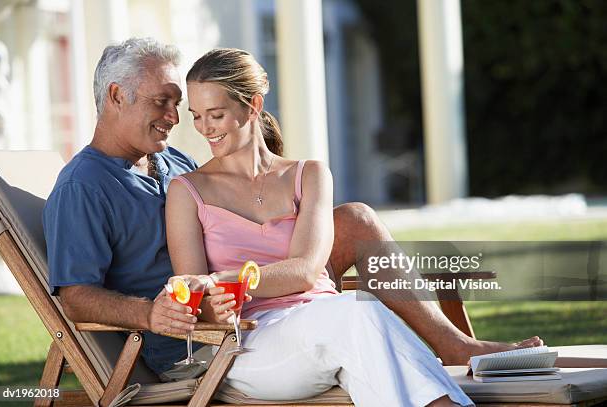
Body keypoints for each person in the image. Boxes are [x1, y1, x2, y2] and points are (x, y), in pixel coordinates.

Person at [43, 37, 539, 383]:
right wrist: (152, 314)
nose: (177, 119)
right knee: (353, 309)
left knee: (356, 220)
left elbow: (228, 204)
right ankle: (435, 352)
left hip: (248, 293)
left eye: (184, 108)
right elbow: (74, 296)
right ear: (115, 95)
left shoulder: (171, 161)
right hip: (199, 334)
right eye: (164, 103)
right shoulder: (83, 187)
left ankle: (452, 343)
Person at [165, 47, 474, 406]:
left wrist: (225, 280)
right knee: (359, 313)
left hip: (329, 327)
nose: (204, 129)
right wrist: (210, 303)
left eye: (215, 115)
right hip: (249, 347)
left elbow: (306, 271)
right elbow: (192, 293)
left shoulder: (308, 174)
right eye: (197, 116)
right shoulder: (187, 192)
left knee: (362, 328)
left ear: (253, 105)